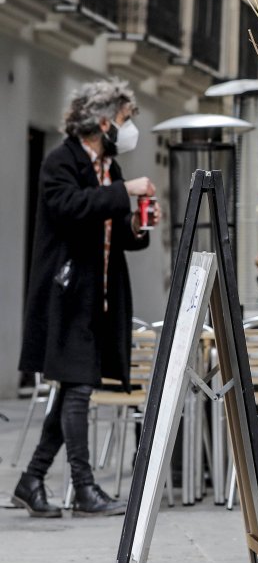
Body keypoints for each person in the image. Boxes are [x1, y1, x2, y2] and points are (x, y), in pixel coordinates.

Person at [14, 79, 163, 518]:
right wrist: (126, 192)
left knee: (73, 390)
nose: (129, 127)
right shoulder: (60, 162)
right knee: (78, 388)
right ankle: (83, 488)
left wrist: (138, 224)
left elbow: (116, 233)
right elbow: (70, 207)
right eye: (124, 119)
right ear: (102, 122)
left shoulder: (109, 168)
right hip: (66, 296)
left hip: (99, 299)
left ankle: (32, 479)